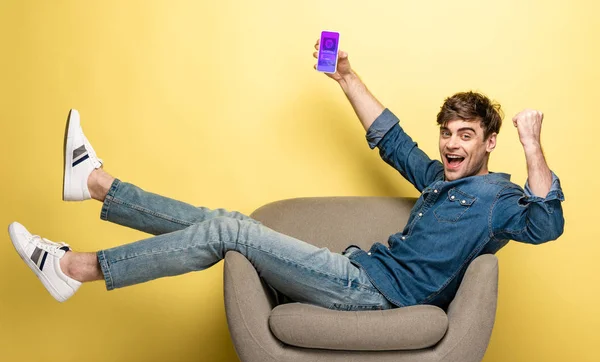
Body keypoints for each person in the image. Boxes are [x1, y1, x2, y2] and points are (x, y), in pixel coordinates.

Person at [8, 40, 564, 309]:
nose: (450, 143)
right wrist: (345, 76)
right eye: (447, 132)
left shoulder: (499, 197)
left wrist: (532, 142)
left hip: (371, 294)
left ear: (489, 143)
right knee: (223, 223)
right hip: (354, 270)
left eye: (465, 135)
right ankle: (98, 184)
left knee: (231, 229)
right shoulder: (442, 180)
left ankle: (74, 268)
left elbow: (548, 224)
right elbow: (391, 140)